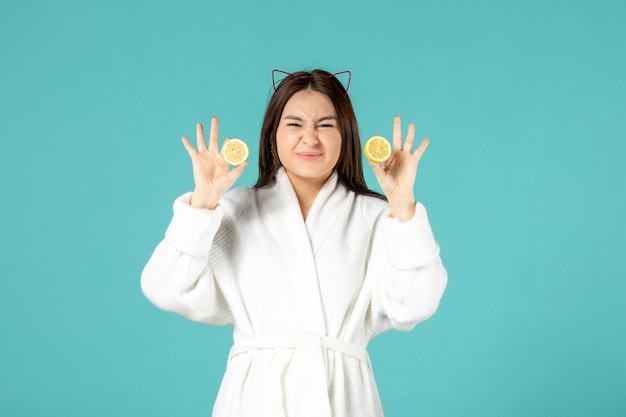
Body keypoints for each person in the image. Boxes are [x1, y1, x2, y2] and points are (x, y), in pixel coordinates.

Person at [141, 69, 447, 417]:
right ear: (272, 135)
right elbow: (163, 288)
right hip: (255, 400)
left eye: (326, 125)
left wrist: (404, 204)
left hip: (344, 401)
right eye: (295, 124)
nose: (310, 139)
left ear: (346, 135)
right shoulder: (234, 211)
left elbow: (417, 304)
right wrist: (201, 204)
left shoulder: (379, 217)